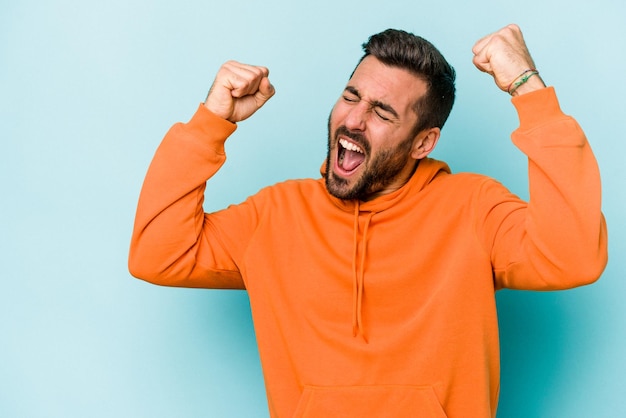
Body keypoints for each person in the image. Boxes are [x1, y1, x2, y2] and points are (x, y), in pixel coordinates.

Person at [129, 24, 608, 418]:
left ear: (423, 143)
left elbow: (573, 257)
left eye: (381, 112)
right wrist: (213, 120)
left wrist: (528, 86)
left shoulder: (474, 208)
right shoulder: (273, 216)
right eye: (351, 96)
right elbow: (157, 254)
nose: (353, 120)